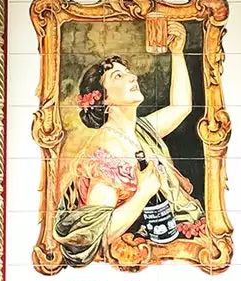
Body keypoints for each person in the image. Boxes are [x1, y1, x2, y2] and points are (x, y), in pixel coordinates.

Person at [52, 22, 207, 268]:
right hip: (141, 254)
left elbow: (182, 107)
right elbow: (95, 235)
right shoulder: (105, 154)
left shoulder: (138, 129)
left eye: (127, 71)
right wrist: (144, 192)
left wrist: (177, 53)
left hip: (173, 236)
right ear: (104, 99)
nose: (132, 76)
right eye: (118, 76)